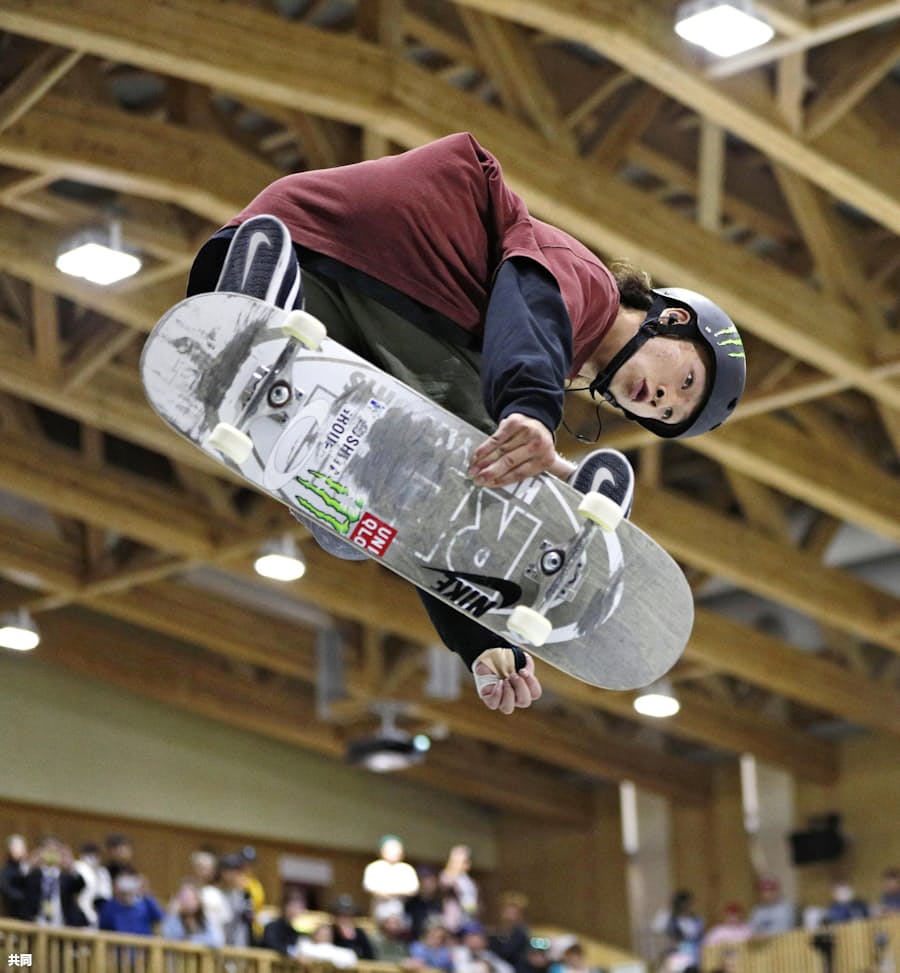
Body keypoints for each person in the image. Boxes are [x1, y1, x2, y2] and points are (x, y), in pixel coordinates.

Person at [187, 133, 746, 714]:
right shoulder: (589, 288)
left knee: (380, 511)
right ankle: (552, 503)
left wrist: (479, 637)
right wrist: (529, 411)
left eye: (664, 414)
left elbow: (433, 508)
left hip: (318, 284)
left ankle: (271, 318)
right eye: (683, 381)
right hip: (370, 242)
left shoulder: (550, 346)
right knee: (482, 437)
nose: (656, 399)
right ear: (674, 320)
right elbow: (530, 303)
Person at [362, 835, 420, 920]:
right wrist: (398, 891)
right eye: (390, 849)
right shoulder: (374, 867)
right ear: (382, 851)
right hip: (379, 910)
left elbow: (413, 889)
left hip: (400, 911)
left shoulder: (407, 869)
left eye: (397, 849)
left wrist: (388, 892)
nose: (394, 852)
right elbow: (369, 887)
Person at [97, 868, 164, 935]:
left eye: (130, 881)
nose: (127, 885)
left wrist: (146, 892)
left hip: (143, 944)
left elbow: (160, 917)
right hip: (119, 944)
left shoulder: (145, 903)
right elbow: (103, 928)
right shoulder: (110, 906)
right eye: (124, 881)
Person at [160, 881, 224, 947]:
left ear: (198, 900)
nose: (187, 902)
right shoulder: (174, 919)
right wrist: (172, 913)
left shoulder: (205, 919)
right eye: (184, 899)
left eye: (191, 898)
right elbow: (168, 936)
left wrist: (192, 940)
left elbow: (217, 940)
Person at [488, 891, 531, 973]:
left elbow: (510, 953)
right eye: (507, 910)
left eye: (513, 912)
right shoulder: (494, 932)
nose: (509, 914)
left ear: (519, 914)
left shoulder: (521, 934)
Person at [440, 844, 479, 934]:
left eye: (465, 861)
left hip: (469, 919)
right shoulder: (446, 875)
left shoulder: (468, 880)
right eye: (459, 860)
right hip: (453, 922)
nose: (462, 864)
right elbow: (446, 888)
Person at [73, 842, 113, 928]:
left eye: (96, 855)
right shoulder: (77, 867)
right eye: (89, 855)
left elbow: (105, 895)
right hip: (77, 908)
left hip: (94, 911)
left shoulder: (102, 872)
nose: (92, 859)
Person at [331, 894, 375, 959]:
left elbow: (370, 956)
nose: (344, 918)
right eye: (340, 914)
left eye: (347, 914)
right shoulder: (331, 932)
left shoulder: (360, 933)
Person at [0, 834, 29, 920]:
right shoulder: (6, 871)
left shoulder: (28, 869)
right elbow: (6, 889)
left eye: (23, 848)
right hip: (13, 915)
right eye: (17, 848)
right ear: (9, 850)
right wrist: (26, 899)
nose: (21, 851)